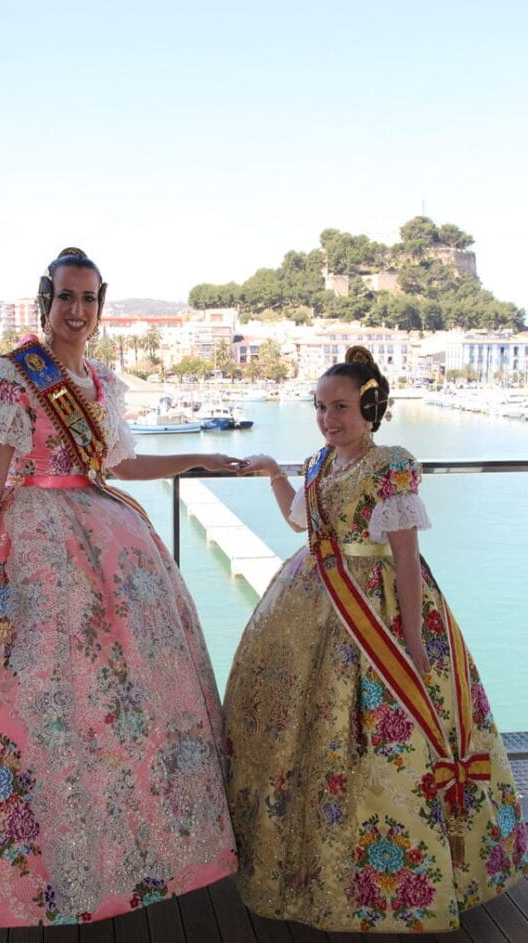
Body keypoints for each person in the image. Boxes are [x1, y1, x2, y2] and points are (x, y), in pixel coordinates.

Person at [0, 247, 241, 928]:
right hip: (17, 538)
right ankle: (6, 867)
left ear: (101, 305)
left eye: (89, 299)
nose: (77, 311)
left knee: (105, 700)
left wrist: (200, 455)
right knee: (12, 697)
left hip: (101, 538)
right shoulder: (14, 375)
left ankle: (101, 854)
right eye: (66, 298)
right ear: (45, 301)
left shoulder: (103, 382)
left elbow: (124, 461)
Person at [223, 345, 526, 934]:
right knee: (305, 733)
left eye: (339, 407)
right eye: (319, 407)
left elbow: (407, 556)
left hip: (377, 613)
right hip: (309, 601)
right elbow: (301, 523)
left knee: (382, 736)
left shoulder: (393, 464)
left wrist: (413, 640)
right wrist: (270, 474)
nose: (328, 419)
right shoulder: (316, 463)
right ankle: (308, 864)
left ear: (370, 408)